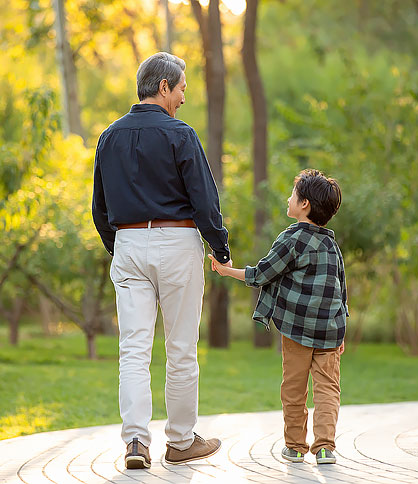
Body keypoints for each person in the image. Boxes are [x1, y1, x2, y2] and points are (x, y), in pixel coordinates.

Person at [92, 52, 231, 469]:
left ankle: (136, 442)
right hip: (177, 244)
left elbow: (99, 208)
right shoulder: (181, 135)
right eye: (182, 88)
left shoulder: (108, 137)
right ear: (164, 87)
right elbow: (205, 201)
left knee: (132, 351)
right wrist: (219, 246)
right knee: (181, 349)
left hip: (129, 244)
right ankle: (181, 441)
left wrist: (120, 246)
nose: (184, 97)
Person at [208, 168, 347, 465]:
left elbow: (261, 275)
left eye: (293, 195)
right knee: (327, 390)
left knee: (293, 388)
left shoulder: (292, 239)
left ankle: (295, 447)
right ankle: (325, 448)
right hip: (330, 332)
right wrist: (341, 332)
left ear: (304, 204)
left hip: (297, 329)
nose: (289, 198)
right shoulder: (331, 244)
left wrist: (224, 269)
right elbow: (341, 289)